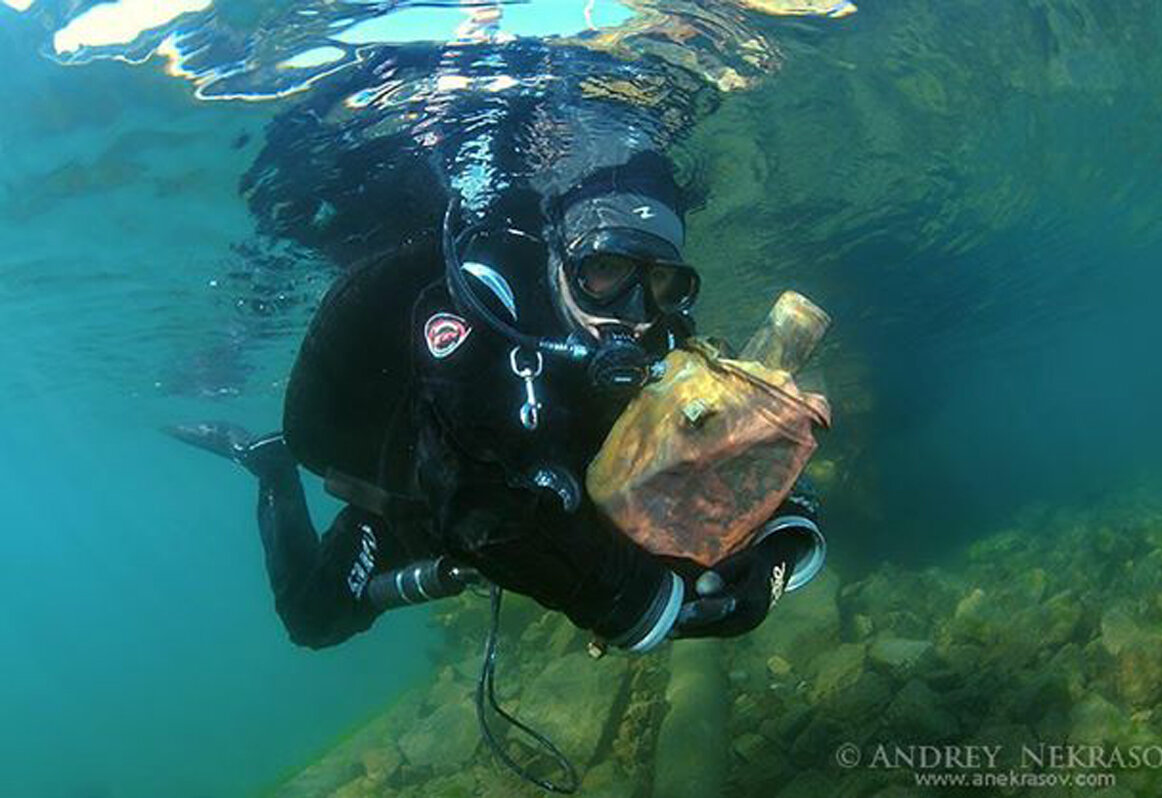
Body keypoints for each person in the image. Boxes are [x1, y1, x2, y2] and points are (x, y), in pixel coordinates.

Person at [169, 32, 825, 656]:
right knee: (314, 620)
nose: (632, 314)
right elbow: (480, 512)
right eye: (604, 274)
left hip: (558, 488)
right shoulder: (481, 314)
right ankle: (272, 470)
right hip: (416, 479)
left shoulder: (664, 332)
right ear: (560, 260)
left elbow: (739, 444)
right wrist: (644, 604)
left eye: (660, 283)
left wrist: (776, 549)